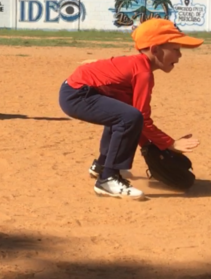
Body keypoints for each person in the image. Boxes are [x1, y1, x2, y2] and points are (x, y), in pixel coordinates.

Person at [58, 19, 202, 199]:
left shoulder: (137, 64)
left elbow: (136, 121)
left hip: (76, 90)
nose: (179, 55)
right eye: (175, 49)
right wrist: (169, 143)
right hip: (78, 95)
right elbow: (139, 117)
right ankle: (108, 179)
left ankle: (102, 165)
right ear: (155, 49)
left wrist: (150, 145)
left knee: (123, 114)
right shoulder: (143, 73)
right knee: (127, 116)